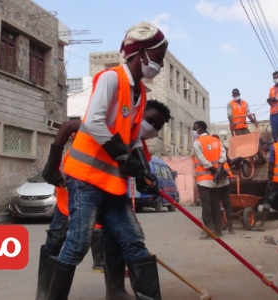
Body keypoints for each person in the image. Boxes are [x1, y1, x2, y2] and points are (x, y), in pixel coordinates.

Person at [44, 22, 168, 300]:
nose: (159, 64)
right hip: (85, 180)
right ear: (141, 53)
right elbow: (94, 122)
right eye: (158, 57)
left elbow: (134, 139)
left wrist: (143, 172)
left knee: (133, 241)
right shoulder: (111, 79)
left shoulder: (142, 93)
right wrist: (126, 159)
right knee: (77, 245)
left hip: (112, 185)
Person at [37, 100, 172, 300]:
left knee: (117, 240)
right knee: (60, 238)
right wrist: (51, 167)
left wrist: (147, 182)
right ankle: (44, 293)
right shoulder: (109, 125)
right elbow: (67, 126)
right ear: (138, 113)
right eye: (150, 120)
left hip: (110, 194)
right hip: (78, 188)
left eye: (157, 127)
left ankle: (115, 291)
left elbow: (138, 174)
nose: (152, 128)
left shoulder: (139, 146)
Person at [192, 121, 233, 239]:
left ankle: (210, 230)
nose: (193, 132)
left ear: (200, 130)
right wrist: (219, 169)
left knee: (206, 205)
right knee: (215, 204)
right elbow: (223, 157)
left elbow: (203, 160)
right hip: (218, 181)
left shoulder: (197, 142)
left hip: (204, 180)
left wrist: (214, 171)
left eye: (194, 129)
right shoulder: (217, 141)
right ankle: (218, 230)